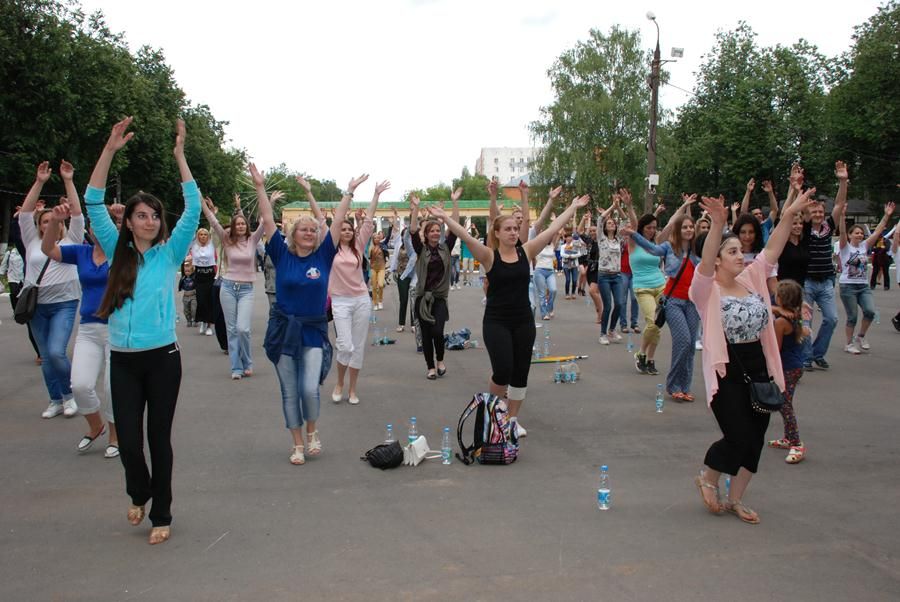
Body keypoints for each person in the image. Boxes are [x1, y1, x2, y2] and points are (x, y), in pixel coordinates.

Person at [86, 117, 201, 545]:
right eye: (141, 215)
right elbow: (93, 200)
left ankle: (162, 513)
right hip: (123, 359)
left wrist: (180, 156)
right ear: (129, 222)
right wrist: (109, 149)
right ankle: (139, 492)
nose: (149, 221)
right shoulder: (117, 252)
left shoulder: (170, 254)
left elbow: (193, 207)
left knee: (159, 439)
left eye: (154, 215)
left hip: (163, 359)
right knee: (130, 444)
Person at [689, 189, 815, 525]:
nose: (740, 255)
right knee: (738, 435)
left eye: (740, 250)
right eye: (731, 252)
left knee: (755, 438)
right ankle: (709, 476)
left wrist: (791, 212)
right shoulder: (705, 290)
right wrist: (718, 223)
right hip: (727, 372)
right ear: (717, 259)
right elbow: (704, 264)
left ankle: (736, 499)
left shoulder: (752, 278)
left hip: (760, 371)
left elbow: (773, 246)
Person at [428, 193, 589, 439]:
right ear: (497, 233)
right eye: (508, 229)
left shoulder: (526, 251)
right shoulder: (489, 255)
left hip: (523, 321)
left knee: (520, 372)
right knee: (503, 370)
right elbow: (465, 236)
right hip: (497, 322)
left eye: (515, 229)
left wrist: (573, 207)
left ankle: (512, 420)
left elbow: (552, 228)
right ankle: (493, 414)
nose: (514, 232)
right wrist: (444, 218)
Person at [258, 161, 363, 465]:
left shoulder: (324, 256)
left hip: (313, 331)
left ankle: (312, 431)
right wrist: (260, 188)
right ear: (292, 234)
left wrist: (348, 192)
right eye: (302, 229)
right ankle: (297, 444)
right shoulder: (281, 254)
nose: (308, 233)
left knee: (308, 387)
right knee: (289, 391)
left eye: (312, 230)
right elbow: (267, 219)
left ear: (318, 235)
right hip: (284, 331)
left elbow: (338, 219)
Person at [41, 161, 119, 457]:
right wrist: (54, 222)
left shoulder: (121, 253)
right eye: (94, 225)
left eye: (104, 225)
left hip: (116, 328)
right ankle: (95, 425)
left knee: (112, 388)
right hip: (88, 328)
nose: (98, 229)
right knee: (80, 384)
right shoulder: (82, 253)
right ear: (89, 229)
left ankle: (116, 436)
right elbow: (49, 250)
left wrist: (122, 218)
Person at [17, 161, 83, 419]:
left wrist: (68, 180)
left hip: (65, 303)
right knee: (46, 356)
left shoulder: (72, 240)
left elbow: (77, 214)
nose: (48, 224)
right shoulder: (32, 242)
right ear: (39, 225)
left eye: (51, 220)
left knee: (56, 352)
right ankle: (55, 399)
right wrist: (39, 182)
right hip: (37, 305)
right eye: (44, 221)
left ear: (61, 221)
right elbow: (25, 214)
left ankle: (69, 395)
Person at [628, 199, 701, 401]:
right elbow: (651, 248)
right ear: (678, 230)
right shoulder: (669, 247)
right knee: (683, 341)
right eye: (684, 227)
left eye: (691, 227)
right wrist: (633, 234)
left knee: (690, 348)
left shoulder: (698, 250)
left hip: (692, 302)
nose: (688, 230)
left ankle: (685, 387)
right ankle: (673, 385)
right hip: (673, 301)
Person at [329, 180, 390, 404]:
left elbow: (369, 220)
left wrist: (376, 194)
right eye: (342, 229)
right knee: (345, 345)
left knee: (357, 347)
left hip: (361, 300)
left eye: (349, 229)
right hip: (340, 301)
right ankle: (339, 383)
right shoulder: (329, 248)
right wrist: (350, 191)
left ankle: (353, 389)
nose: (346, 231)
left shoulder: (358, 246)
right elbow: (336, 219)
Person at [201, 193, 265, 380]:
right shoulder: (226, 239)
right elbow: (213, 222)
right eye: (237, 224)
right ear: (234, 226)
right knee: (232, 329)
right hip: (228, 287)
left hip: (246, 290)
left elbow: (265, 220)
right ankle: (236, 367)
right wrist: (201, 203)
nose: (240, 226)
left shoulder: (253, 240)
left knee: (243, 328)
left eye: (243, 223)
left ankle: (248, 362)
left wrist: (267, 201)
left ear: (246, 226)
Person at [409, 190, 462, 379]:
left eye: (438, 230)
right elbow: (412, 230)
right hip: (422, 298)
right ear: (426, 234)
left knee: (438, 332)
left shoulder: (446, 248)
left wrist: (454, 203)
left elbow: (455, 227)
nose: (435, 233)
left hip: (439, 298)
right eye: (431, 231)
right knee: (426, 335)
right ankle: (430, 367)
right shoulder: (420, 249)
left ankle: (440, 360)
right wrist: (416, 208)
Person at [834, 197, 894, 354]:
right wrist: (842, 216)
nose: (860, 235)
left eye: (861, 233)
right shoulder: (844, 247)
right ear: (850, 235)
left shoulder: (864, 246)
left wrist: (886, 215)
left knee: (870, 311)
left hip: (863, 286)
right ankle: (849, 344)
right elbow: (841, 231)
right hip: (848, 286)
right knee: (852, 317)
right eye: (856, 233)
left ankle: (860, 336)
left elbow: (878, 231)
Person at [798, 162, 839, 370]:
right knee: (806, 321)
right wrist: (800, 190)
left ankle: (817, 353)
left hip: (826, 282)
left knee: (832, 319)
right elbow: (801, 211)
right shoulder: (805, 229)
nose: (818, 214)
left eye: (821, 212)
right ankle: (806, 357)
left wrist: (842, 181)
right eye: (814, 211)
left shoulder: (828, 227)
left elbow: (839, 205)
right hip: (807, 281)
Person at [768, 279, 809, 464]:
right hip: (796, 364)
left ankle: (796, 442)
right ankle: (787, 437)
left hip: (786, 366)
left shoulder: (780, 322)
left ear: (781, 299)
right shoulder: (796, 314)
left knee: (784, 405)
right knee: (787, 402)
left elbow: (776, 348)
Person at [627, 213, 666, 376]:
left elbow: (671, 225)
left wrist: (685, 207)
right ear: (642, 228)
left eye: (654, 228)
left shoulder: (656, 243)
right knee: (652, 322)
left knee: (658, 325)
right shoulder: (633, 242)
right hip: (643, 288)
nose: (652, 231)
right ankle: (641, 353)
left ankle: (650, 359)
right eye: (648, 227)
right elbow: (633, 223)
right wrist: (629, 206)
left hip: (661, 286)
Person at [0, 245, 42, 363]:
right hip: (14, 280)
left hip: (32, 284)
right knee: (29, 317)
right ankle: (40, 353)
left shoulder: (36, 251)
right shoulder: (11, 253)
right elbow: (3, 268)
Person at [189, 226, 217, 335]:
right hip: (199, 275)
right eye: (201, 234)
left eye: (205, 234)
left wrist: (212, 219)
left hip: (210, 275)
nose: (203, 236)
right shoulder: (194, 245)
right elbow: (190, 233)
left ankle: (209, 325)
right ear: (198, 236)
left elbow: (214, 231)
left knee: (209, 300)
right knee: (201, 300)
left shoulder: (212, 245)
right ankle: (203, 322)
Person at [532, 234, 559, 320]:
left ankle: (550, 308)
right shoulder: (538, 246)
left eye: (550, 238)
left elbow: (556, 238)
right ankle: (544, 314)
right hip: (540, 270)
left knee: (553, 290)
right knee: (542, 294)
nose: (549, 239)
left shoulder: (552, 245)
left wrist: (558, 234)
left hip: (550, 271)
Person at [369, 230, 388, 309]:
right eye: (375, 238)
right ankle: (375, 303)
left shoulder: (382, 245)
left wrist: (391, 227)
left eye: (378, 238)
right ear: (373, 239)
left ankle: (380, 301)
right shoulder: (370, 247)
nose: (376, 239)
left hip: (381, 268)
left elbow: (388, 237)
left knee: (380, 285)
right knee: (374, 287)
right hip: (373, 268)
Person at [179, 259, 197, 326]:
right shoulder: (183, 278)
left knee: (193, 309)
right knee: (186, 310)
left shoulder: (194, 278)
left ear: (192, 271)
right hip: (186, 296)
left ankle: (194, 320)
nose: (187, 272)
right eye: (185, 271)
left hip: (193, 296)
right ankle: (189, 320)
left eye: (188, 271)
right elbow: (180, 285)